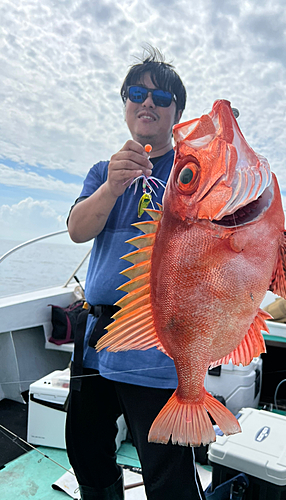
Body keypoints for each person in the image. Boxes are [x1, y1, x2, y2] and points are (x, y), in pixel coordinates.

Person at [65, 47, 206, 500]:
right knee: (86, 447)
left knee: (167, 467)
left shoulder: (194, 171)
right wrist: (111, 186)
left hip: (156, 339)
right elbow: (77, 230)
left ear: (176, 113)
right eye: (137, 93)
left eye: (162, 97)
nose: (149, 102)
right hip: (97, 334)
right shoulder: (102, 172)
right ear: (125, 103)